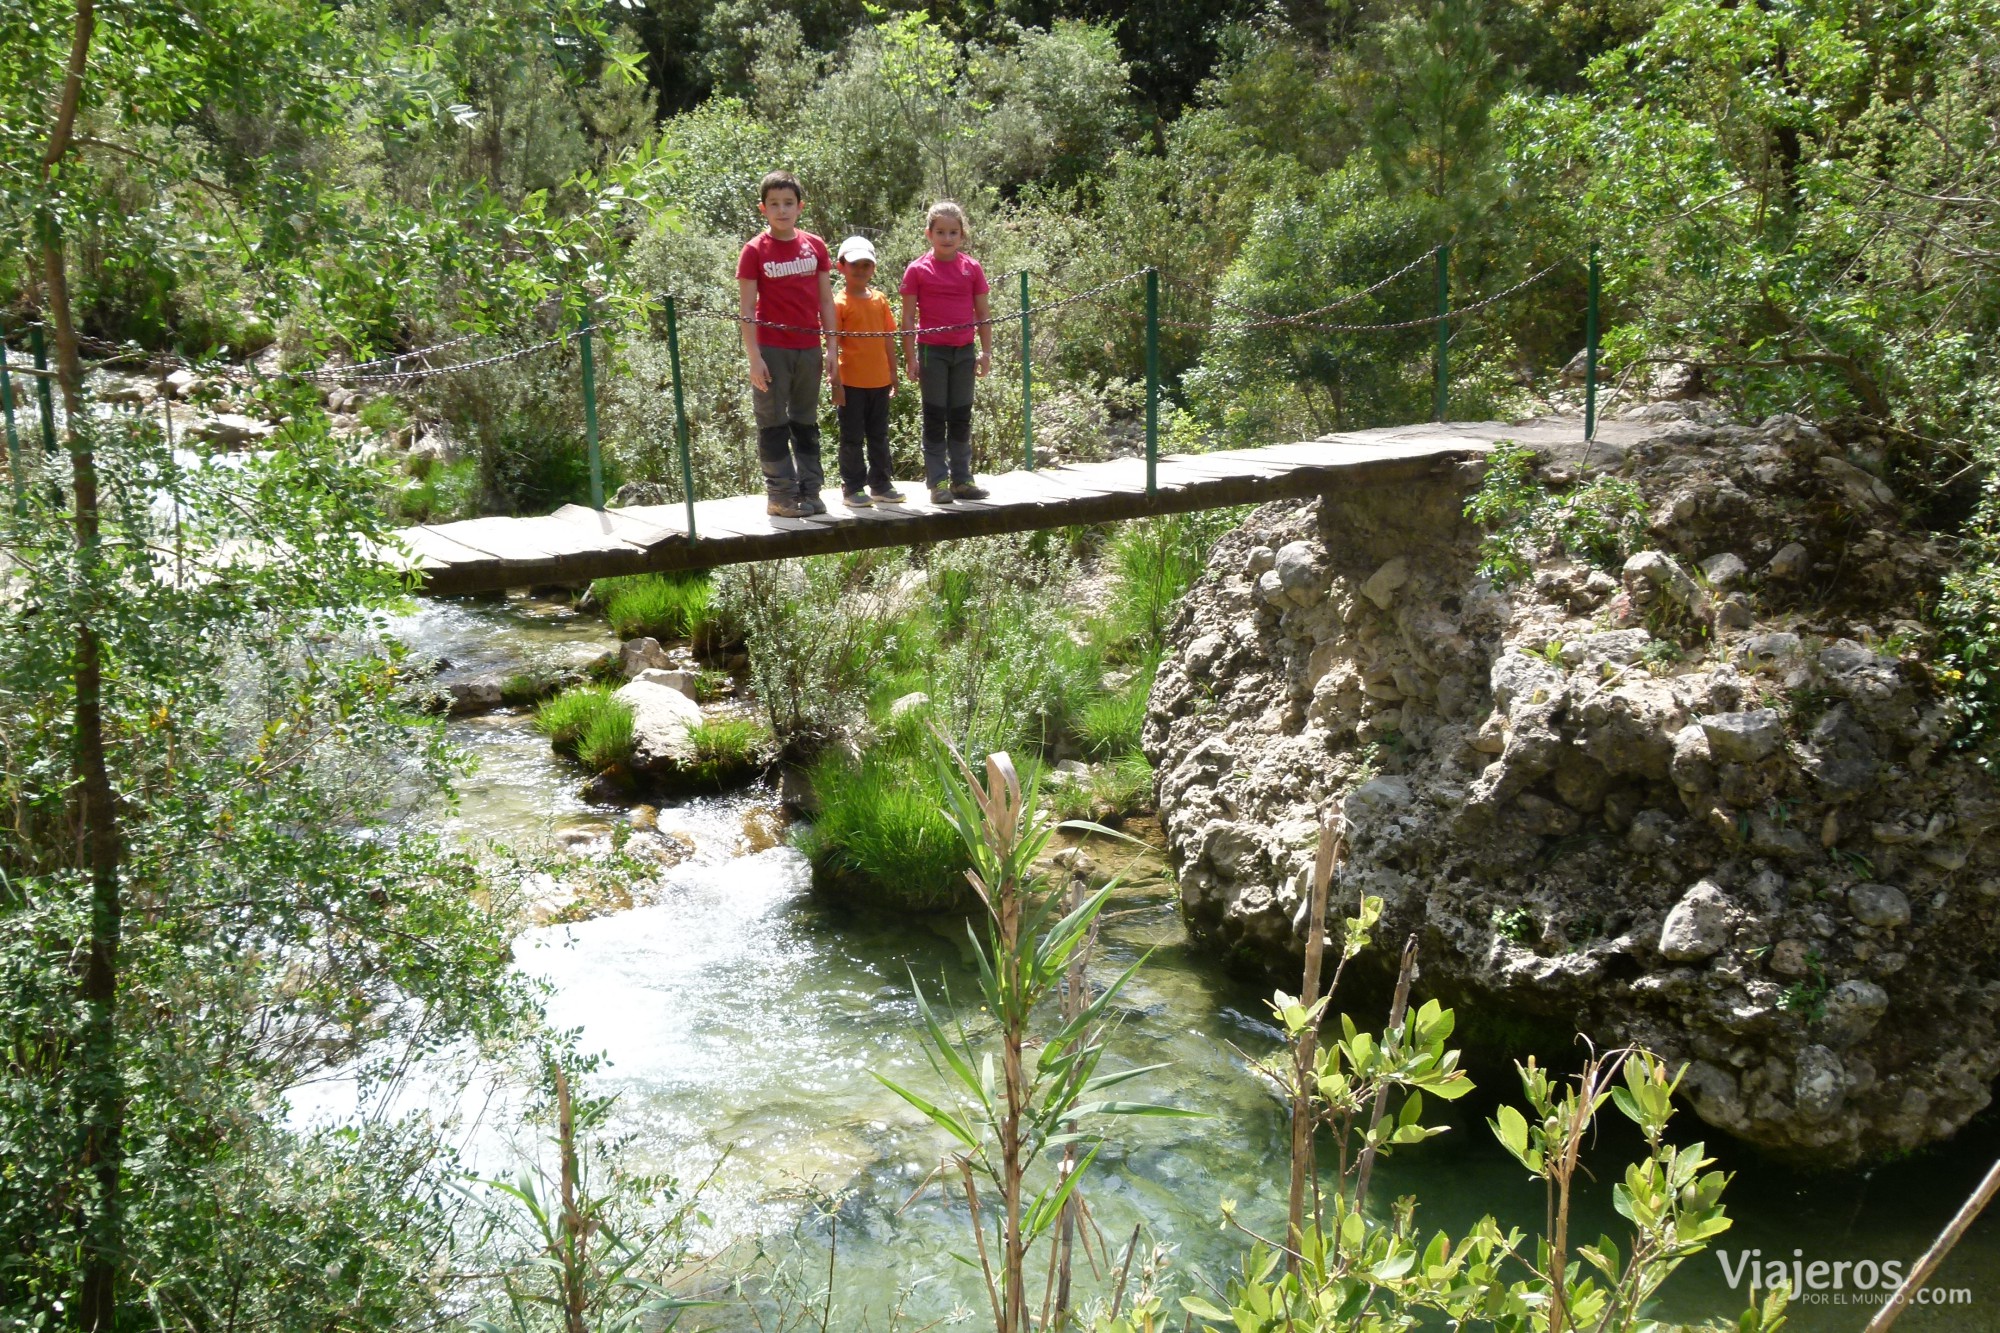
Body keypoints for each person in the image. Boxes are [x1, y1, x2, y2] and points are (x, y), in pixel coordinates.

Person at [736, 170, 838, 518]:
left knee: (806, 420)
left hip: (808, 347)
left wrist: (832, 348)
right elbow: (747, 308)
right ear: (763, 209)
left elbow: (826, 301)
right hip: (771, 349)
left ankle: (811, 491)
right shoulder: (754, 250)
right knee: (773, 421)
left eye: (789, 203)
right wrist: (754, 357)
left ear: (800, 207)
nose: (782, 211)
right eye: (774, 204)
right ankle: (780, 495)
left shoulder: (816, 246)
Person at [899, 201, 992, 504]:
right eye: (941, 231)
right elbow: (909, 318)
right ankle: (937, 482)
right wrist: (911, 358)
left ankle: (962, 479)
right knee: (935, 416)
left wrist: (986, 352)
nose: (947, 238)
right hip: (932, 352)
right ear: (929, 233)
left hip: (964, 351)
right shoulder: (917, 269)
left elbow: (982, 313)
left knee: (961, 415)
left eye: (953, 232)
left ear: (962, 235)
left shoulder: (972, 268)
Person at [830, 235, 906, 506]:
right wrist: (835, 384)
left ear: (873, 267)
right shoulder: (838, 303)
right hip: (851, 383)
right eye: (854, 265)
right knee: (851, 437)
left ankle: (881, 484)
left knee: (879, 434)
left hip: (879, 381)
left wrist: (894, 374)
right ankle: (852, 488)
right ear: (841, 267)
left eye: (866, 264)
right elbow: (832, 346)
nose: (861, 270)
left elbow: (888, 338)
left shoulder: (880, 299)